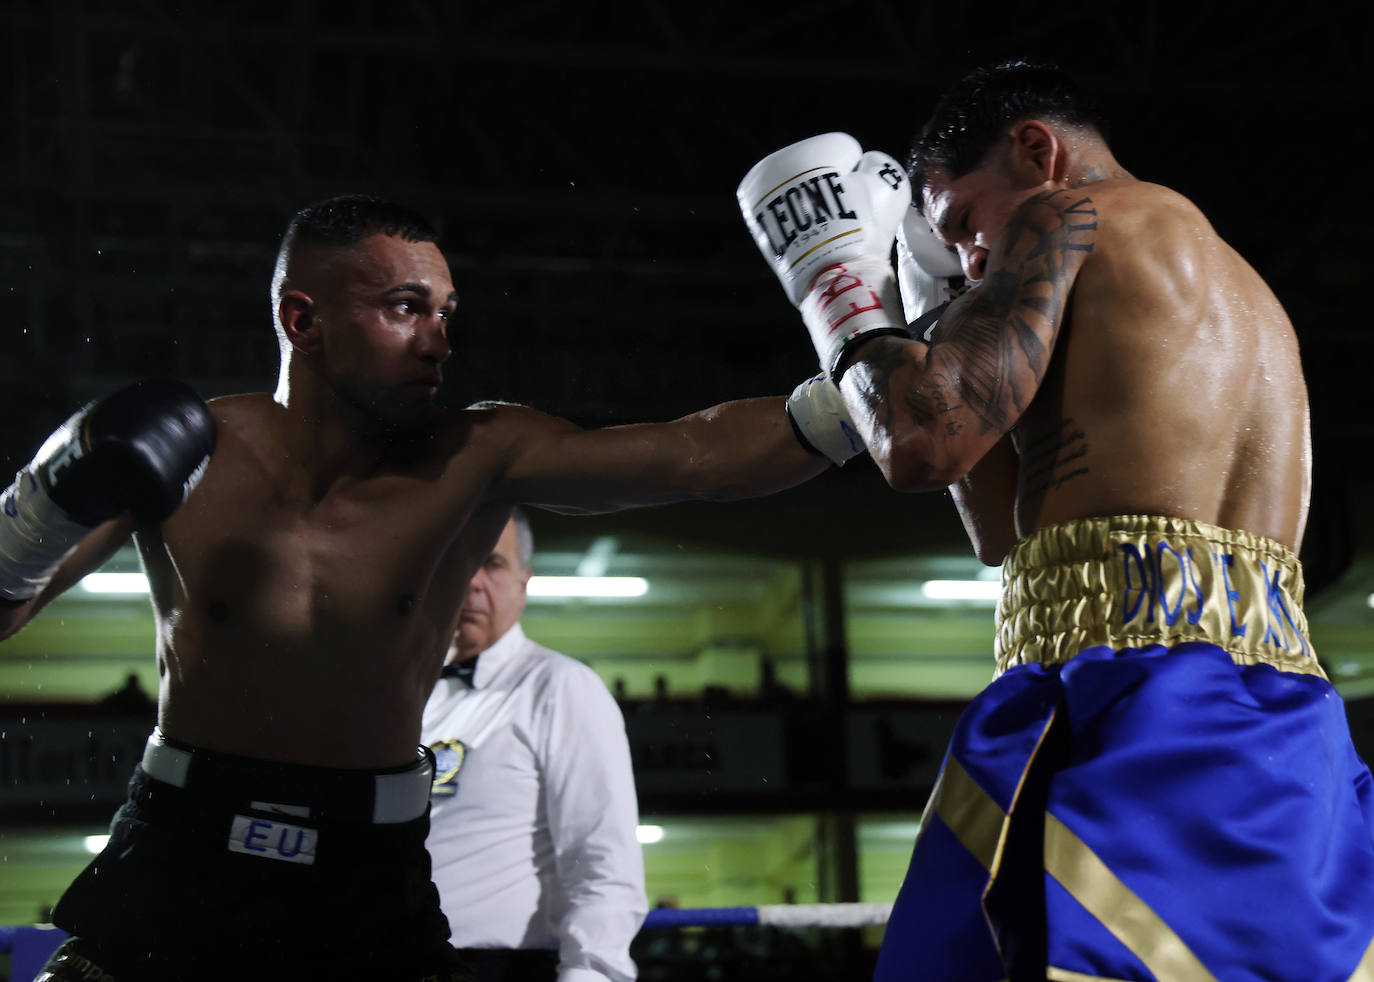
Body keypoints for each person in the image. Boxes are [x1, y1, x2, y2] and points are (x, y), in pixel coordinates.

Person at [0, 194, 843, 980]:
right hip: (181, 851)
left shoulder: (479, 457)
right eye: (406, 308)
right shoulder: (195, 454)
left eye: (445, 313)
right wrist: (40, 503)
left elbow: (695, 456)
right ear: (304, 319)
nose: (439, 339)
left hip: (367, 876)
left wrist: (862, 398)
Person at [738, 61, 1374, 981]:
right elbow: (1000, 531)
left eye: (963, 221)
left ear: (1037, 153)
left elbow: (919, 443)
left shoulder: (1063, 215)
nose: (968, 259)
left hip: (1137, 700)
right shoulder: (1251, 299)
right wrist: (933, 314)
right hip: (1288, 724)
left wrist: (839, 292)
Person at [421, 509, 645, 982]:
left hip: (502, 968)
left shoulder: (562, 687)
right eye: (459, 563)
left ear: (524, 583)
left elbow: (603, 860)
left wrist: (592, 976)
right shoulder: (399, 693)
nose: (474, 582)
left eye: (493, 564)